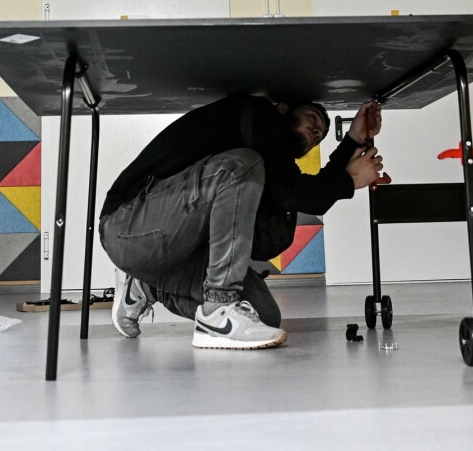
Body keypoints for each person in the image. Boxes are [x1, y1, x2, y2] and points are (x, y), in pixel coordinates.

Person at [99, 94, 386, 349]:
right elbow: (295, 191)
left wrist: (353, 140)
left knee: (264, 316)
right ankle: (217, 309)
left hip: (171, 251)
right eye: (311, 119)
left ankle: (147, 285)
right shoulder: (258, 113)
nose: (315, 132)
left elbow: (298, 195)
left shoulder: (264, 174)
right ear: (281, 108)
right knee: (241, 165)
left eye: (319, 136)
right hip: (127, 226)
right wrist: (349, 180)